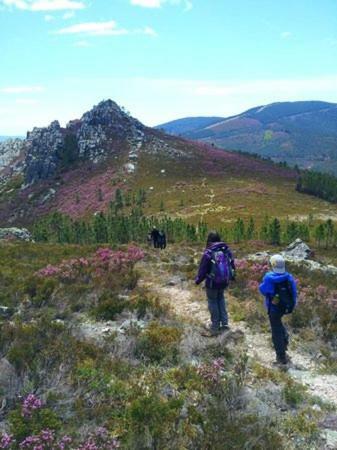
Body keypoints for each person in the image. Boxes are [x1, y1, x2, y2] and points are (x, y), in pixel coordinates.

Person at [259, 254, 297, 366]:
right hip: (285, 307)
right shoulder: (289, 277)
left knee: (275, 330)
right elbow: (294, 293)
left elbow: (263, 290)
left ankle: (281, 357)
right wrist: (292, 305)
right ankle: (284, 340)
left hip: (274, 308)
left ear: (272, 265)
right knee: (279, 323)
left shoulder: (269, 277)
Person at [195, 231, 235, 336]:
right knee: (221, 299)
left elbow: (203, 269)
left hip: (212, 283)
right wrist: (232, 277)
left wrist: (198, 280)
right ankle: (224, 324)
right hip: (224, 282)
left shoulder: (208, 252)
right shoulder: (226, 250)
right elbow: (232, 265)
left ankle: (215, 326)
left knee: (213, 302)